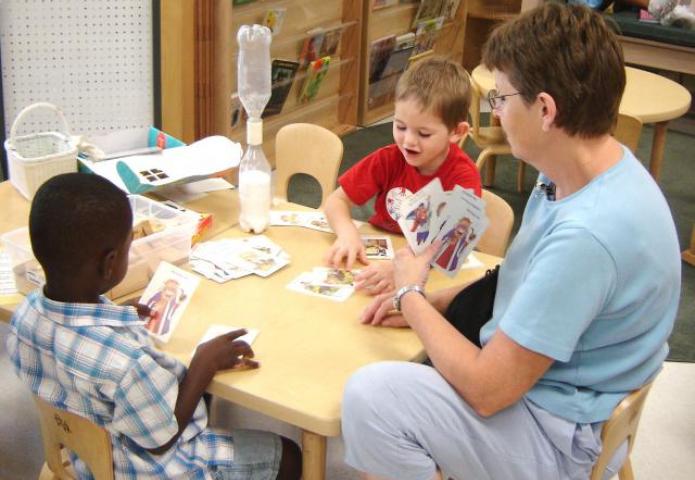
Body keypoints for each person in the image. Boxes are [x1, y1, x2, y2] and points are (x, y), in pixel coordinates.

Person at [341, 4, 681, 480]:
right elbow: (520, 280)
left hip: (561, 433)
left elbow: (487, 390)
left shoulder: (587, 235)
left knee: (371, 398)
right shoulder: (593, 172)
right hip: (578, 396)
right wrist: (437, 301)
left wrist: (410, 294)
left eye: (500, 99)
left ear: (545, 109)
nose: (495, 113)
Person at [6, 173, 302, 480]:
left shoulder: (24, 316)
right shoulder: (126, 365)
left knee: (191, 389)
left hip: (84, 454)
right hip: (146, 468)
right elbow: (163, 440)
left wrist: (112, 315)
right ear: (109, 264)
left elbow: (72, 352)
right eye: (128, 246)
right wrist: (204, 363)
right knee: (289, 455)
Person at [324, 57, 482, 294]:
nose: (408, 141)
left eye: (424, 133)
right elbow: (336, 201)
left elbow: (452, 245)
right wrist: (347, 233)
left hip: (427, 274)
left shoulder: (463, 176)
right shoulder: (389, 158)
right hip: (376, 260)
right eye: (400, 126)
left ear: (456, 132)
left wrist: (399, 269)